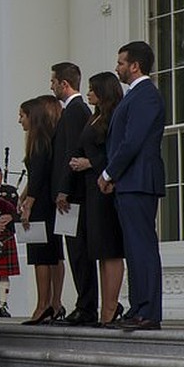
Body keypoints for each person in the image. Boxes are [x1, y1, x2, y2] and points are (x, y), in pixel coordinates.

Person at [100, 40, 166, 331]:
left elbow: (132, 141)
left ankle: (148, 311)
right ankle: (139, 307)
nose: (117, 68)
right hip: (129, 182)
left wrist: (108, 173)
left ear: (135, 65)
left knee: (142, 247)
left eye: (121, 63)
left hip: (139, 180)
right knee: (134, 248)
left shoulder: (146, 95)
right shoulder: (134, 96)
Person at [68, 72, 126, 326]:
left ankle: (111, 307)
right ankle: (107, 305)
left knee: (111, 248)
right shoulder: (95, 117)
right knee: (99, 249)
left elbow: (117, 151)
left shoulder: (114, 116)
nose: (88, 93)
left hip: (106, 188)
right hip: (90, 190)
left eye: (92, 90)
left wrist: (90, 162)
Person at [51, 63, 98, 326]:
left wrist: (64, 189)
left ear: (64, 84)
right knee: (76, 251)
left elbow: (72, 152)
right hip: (73, 193)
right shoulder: (76, 111)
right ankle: (85, 303)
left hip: (74, 195)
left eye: (53, 81)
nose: (51, 85)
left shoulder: (74, 112)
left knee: (79, 252)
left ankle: (86, 306)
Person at [18, 95, 63, 325]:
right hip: (47, 201)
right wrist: (23, 194)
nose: (20, 121)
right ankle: (55, 303)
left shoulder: (38, 142)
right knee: (55, 254)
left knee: (41, 256)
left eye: (22, 115)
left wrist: (28, 204)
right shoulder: (46, 140)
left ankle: (43, 304)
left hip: (41, 204)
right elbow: (35, 176)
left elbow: (38, 176)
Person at [0, 164, 20, 317]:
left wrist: (12, 217)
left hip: (6, 235)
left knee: (4, 273)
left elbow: (19, 211)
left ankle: (2, 305)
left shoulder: (11, 192)